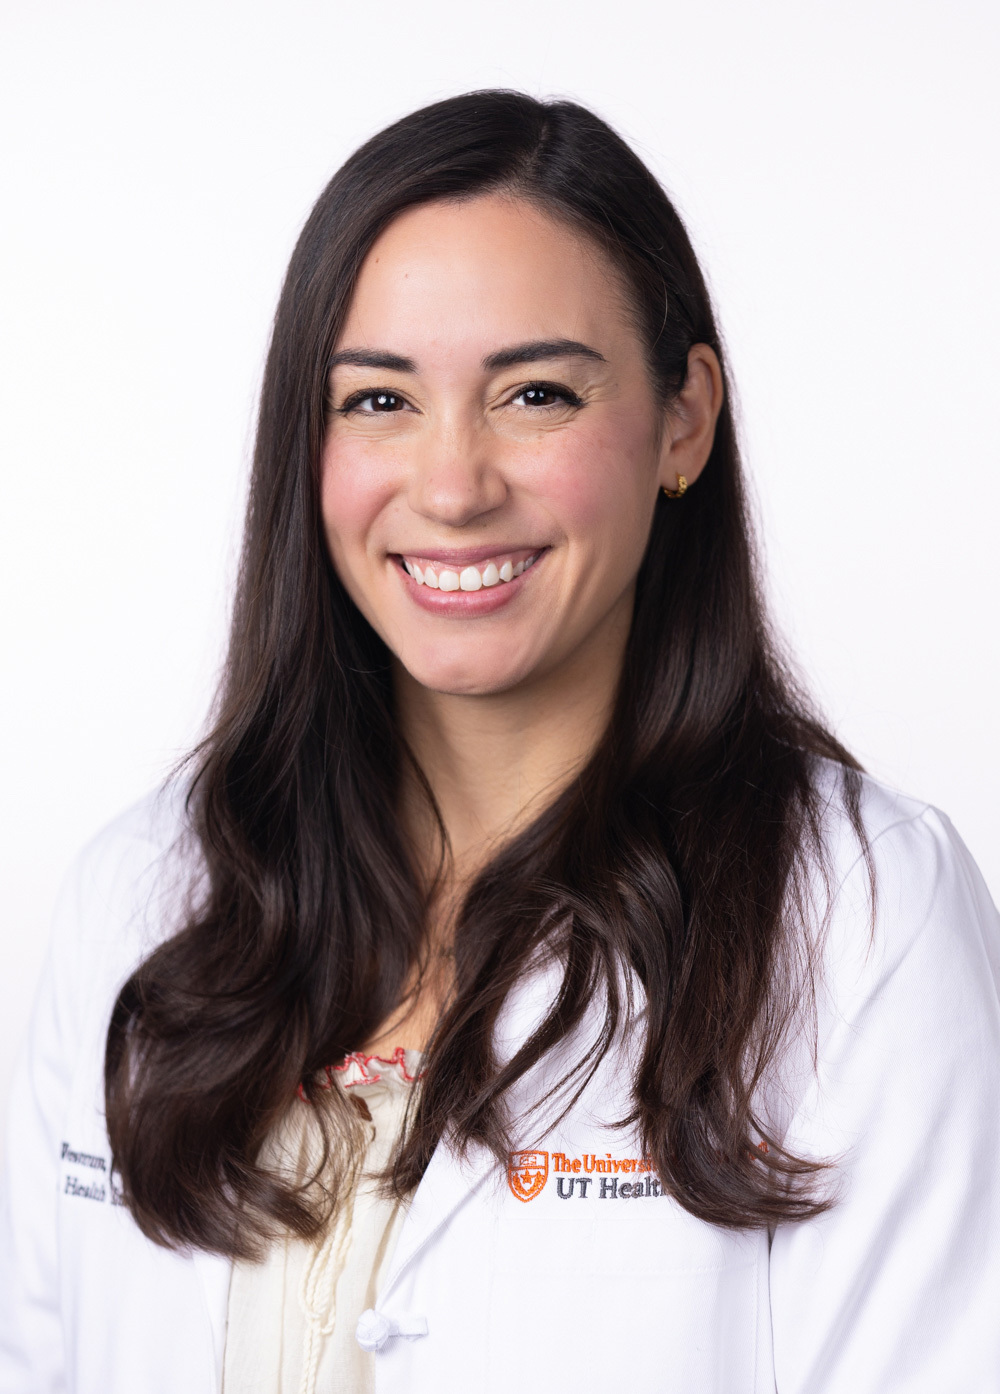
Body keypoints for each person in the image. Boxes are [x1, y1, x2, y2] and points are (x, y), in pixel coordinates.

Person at [2, 89, 999, 1394]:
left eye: (534, 392)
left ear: (684, 418)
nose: (455, 484)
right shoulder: (142, 894)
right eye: (378, 401)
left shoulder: (859, 913)